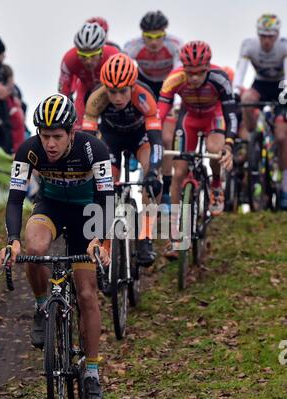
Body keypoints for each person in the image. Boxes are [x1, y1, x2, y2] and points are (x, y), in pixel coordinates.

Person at [0, 94, 113, 399]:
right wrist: (12, 239)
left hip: (88, 212)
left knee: (87, 294)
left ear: (71, 133)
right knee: (33, 247)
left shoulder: (94, 149)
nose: (49, 143)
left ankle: (91, 372)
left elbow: (107, 199)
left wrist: (99, 241)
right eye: (44, 135)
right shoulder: (29, 149)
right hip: (51, 207)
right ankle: (40, 306)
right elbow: (14, 198)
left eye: (56, 137)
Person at [158, 41, 237, 259]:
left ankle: (216, 184)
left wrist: (229, 144)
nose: (193, 78)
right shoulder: (174, 78)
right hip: (189, 119)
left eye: (199, 73)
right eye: (189, 72)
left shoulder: (220, 78)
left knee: (214, 149)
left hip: (214, 118)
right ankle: (174, 234)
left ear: (207, 68)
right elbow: (160, 113)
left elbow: (231, 114)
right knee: (179, 173)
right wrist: (152, 138)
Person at [83, 53, 163, 267]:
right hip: (111, 140)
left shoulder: (144, 96)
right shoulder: (96, 98)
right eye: (112, 92)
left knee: (153, 177)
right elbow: (88, 140)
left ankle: (145, 237)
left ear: (132, 86)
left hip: (140, 138)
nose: (117, 97)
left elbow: (156, 140)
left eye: (123, 91)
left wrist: (154, 170)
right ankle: (104, 242)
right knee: (105, 185)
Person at [124, 11, 183, 211]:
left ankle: (165, 191)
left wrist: (174, 105)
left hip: (168, 86)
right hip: (144, 85)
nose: (154, 42)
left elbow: (177, 74)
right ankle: (135, 152)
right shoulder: (133, 46)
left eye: (158, 36)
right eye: (149, 37)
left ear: (165, 34)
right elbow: (125, 69)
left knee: (166, 139)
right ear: (143, 36)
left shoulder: (175, 44)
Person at [233, 14, 287, 208]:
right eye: (263, 35)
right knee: (246, 100)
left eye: (270, 36)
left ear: (277, 35)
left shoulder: (283, 46)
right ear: (258, 35)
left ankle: (285, 186)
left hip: (280, 86)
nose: (266, 41)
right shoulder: (249, 45)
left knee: (281, 137)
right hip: (261, 84)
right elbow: (241, 71)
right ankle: (252, 134)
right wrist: (236, 89)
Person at [58, 22, 119, 129]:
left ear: (101, 50)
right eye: (83, 56)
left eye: (93, 55)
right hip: (84, 89)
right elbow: (64, 91)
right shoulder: (69, 59)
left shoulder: (113, 55)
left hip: (109, 90)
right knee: (78, 127)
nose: (88, 61)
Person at [2, 64, 25, 153]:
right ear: (8, 80)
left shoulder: (14, 99)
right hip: (10, 152)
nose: (13, 82)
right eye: (12, 79)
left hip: (19, 151)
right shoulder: (4, 103)